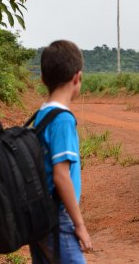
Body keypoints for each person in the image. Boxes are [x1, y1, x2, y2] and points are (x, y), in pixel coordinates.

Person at [30, 40, 93, 263]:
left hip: (40, 216)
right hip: (58, 217)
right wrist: (80, 225)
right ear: (77, 77)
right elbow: (61, 175)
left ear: (43, 79)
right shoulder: (63, 120)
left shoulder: (42, 114)